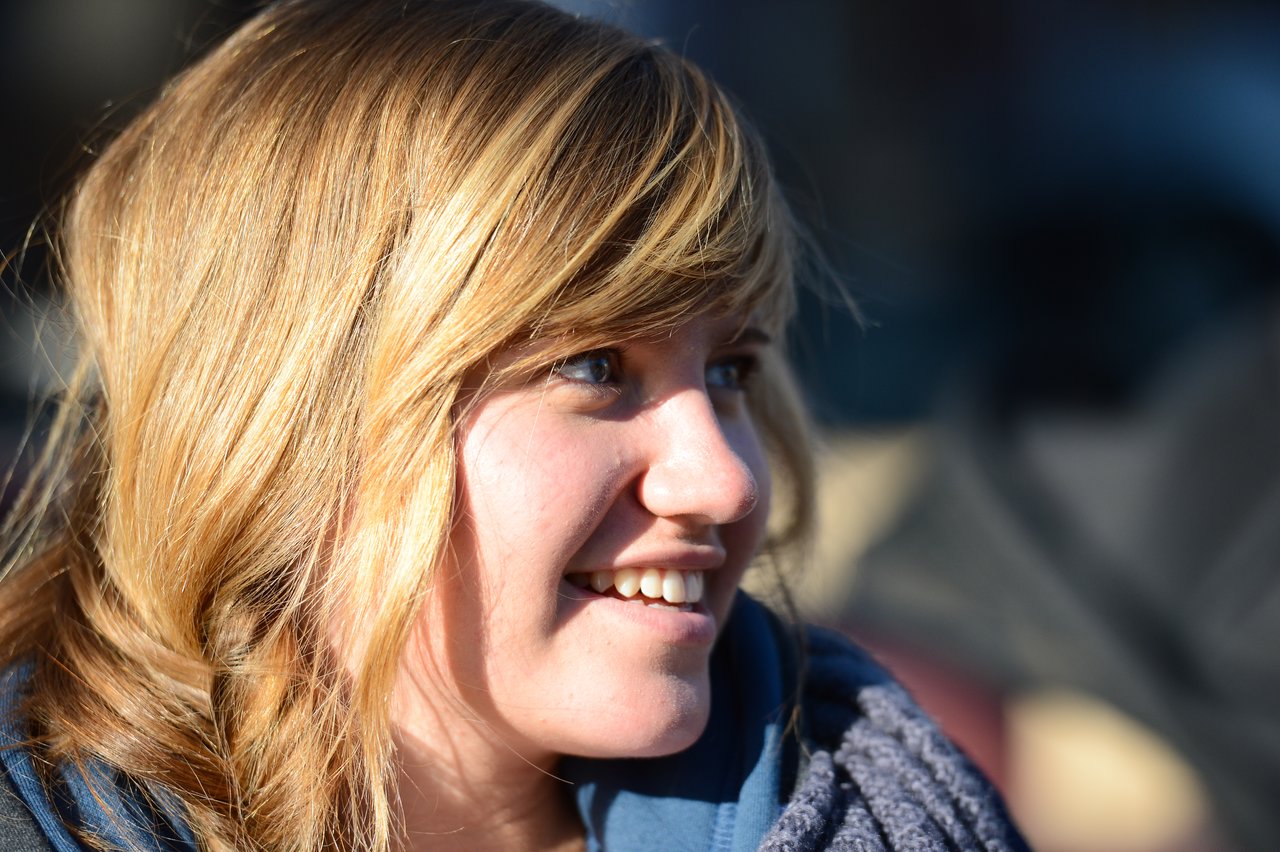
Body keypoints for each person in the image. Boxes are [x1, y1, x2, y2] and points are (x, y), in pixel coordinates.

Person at [0, 1, 1028, 849]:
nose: (723, 479)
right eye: (593, 367)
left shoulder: (893, 806)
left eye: (726, 372)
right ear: (281, 416)